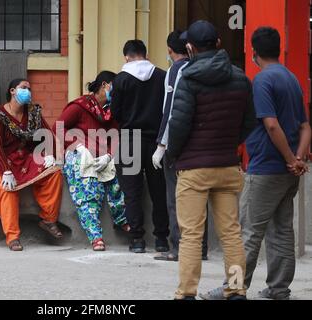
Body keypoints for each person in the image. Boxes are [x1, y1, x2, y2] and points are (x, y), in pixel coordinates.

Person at [201, 27, 311, 301]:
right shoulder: (291, 79)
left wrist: (289, 160)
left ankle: (233, 287)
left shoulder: (262, 81)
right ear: (278, 48)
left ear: (253, 52)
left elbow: (271, 125)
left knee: (247, 232)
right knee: (282, 230)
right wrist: (299, 158)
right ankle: (278, 289)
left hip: (266, 168)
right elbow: (306, 126)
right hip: (288, 172)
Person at [166, 20, 257, 300]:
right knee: (231, 233)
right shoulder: (240, 78)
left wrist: (175, 154)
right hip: (227, 166)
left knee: (191, 235)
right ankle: (237, 288)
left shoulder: (188, 79)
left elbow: (178, 126)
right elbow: (249, 122)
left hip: (194, 168)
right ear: (218, 43)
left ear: (190, 48)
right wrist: (229, 143)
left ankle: (187, 293)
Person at [0, 78, 63, 251]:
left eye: (29, 89)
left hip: (24, 159)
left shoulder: (33, 113)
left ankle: (48, 219)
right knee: (7, 189)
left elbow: (47, 134)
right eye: (23, 88)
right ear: (12, 91)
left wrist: (49, 154)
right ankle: (12, 237)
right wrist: (5, 171)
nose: (28, 91)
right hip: (0, 163)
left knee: (54, 172)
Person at [54, 71, 129, 251]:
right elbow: (59, 127)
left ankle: (121, 220)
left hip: (103, 154)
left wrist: (109, 155)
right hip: (80, 152)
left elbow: (116, 135)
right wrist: (76, 146)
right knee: (88, 192)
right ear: (104, 85)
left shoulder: (114, 110)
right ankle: (95, 236)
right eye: (114, 87)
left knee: (116, 185)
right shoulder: (80, 106)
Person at [152, 30, 209, 262]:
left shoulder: (177, 70)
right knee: (199, 199)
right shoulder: (203, 68)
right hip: (201, 143)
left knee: (176, 198)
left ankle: (178, 248)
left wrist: (162, 144)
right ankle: (201, 248)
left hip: (178, 143)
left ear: (169, 50)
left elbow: (171, 109)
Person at [111, 40, 169, 254]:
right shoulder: (162, 76)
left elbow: (115, 113)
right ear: (145, 54)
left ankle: (137, 239)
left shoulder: (121, 79)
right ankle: (162, 239)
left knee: (132, 192)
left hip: (129, 140)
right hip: (157, 142)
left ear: (126, 56)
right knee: (159, 191)